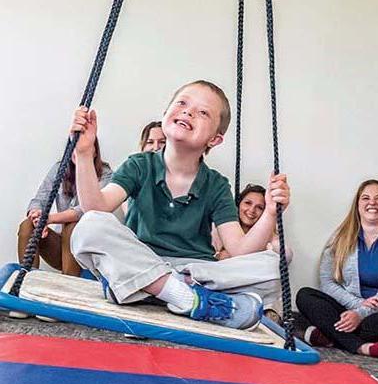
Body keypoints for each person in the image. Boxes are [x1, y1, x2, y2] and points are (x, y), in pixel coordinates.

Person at [69, 79, 290, 331]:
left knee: (272, 266)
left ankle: (150, 288)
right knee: (91, 224)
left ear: (215, 139)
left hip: (194, 271)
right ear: (166, 114)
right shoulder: (140, 165)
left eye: (203, 112)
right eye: (182, 103)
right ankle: (183, 297)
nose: (188, 111)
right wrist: (85, 154)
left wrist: (270, 212)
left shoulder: (217, 184)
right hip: (143, 257)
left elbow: (239, 249)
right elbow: (96, 206)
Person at [296, 179, 378, 361]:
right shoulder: (340, 238)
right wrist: (356, 307)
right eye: (365, 198)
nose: (372, 202)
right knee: (305, 295)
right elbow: (327, 281)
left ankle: (330, 336)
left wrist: (361, 314)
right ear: (357, 205)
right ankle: (363, 347)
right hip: (345, 310)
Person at [17, 139, 113, 278]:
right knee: (27, 225)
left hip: (88, 250)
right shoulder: (59, 168)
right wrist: (37, 217)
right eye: (74, 148)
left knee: (72, 225)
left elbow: (83, 211)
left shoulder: (106, 174)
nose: (78, 152)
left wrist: (48, 219)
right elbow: (38, 200)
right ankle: (26, 281)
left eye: (84, 148)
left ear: (95, 152)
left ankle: (68, 283)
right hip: (61, 247)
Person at [214, 183, 292, 323]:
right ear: (238, 205)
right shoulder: (221, 229)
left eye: (259, 207)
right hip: (225, 286)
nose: (251, 210)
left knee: (274, 265)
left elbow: (286, 254)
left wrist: (272, 217)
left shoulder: (269, 236)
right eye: (247, 203)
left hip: (254, 289)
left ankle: (268, 313)